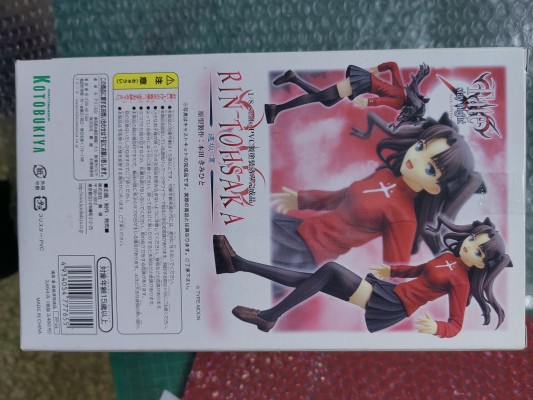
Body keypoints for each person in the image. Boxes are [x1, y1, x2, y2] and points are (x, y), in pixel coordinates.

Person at [214, 217, 512, 338]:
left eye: (478, 250)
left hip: (394, 305)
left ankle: (268, 314)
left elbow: (456, 326)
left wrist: (437, 328)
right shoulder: (450, 259)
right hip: (389, 290)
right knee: (312, 279)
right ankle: (238, 265)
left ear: (484, 263)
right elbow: (419, 270)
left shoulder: (461, 282)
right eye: (472, 240)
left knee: (329, 271)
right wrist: (392, 271)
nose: (469, 246)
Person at [270, 113, 483, 271]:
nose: (416, 159)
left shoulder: (404, 218)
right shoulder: (384, 175)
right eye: (420, 147)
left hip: (305, 252)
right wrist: (301, 199)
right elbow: (340, 196)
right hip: (299, 229)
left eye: (429, 168)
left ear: (434, 187)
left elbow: (395, 271)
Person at [265, 62, 430, 128]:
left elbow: (393, 66)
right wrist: (369, 103)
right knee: (317, 97)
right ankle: (276, 108)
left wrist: (377, 69)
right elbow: (383, 101)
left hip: (364, 80)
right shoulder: (400, 102)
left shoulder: (402, 90)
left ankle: (292, 78)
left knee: (327, 102)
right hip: (361, 83)